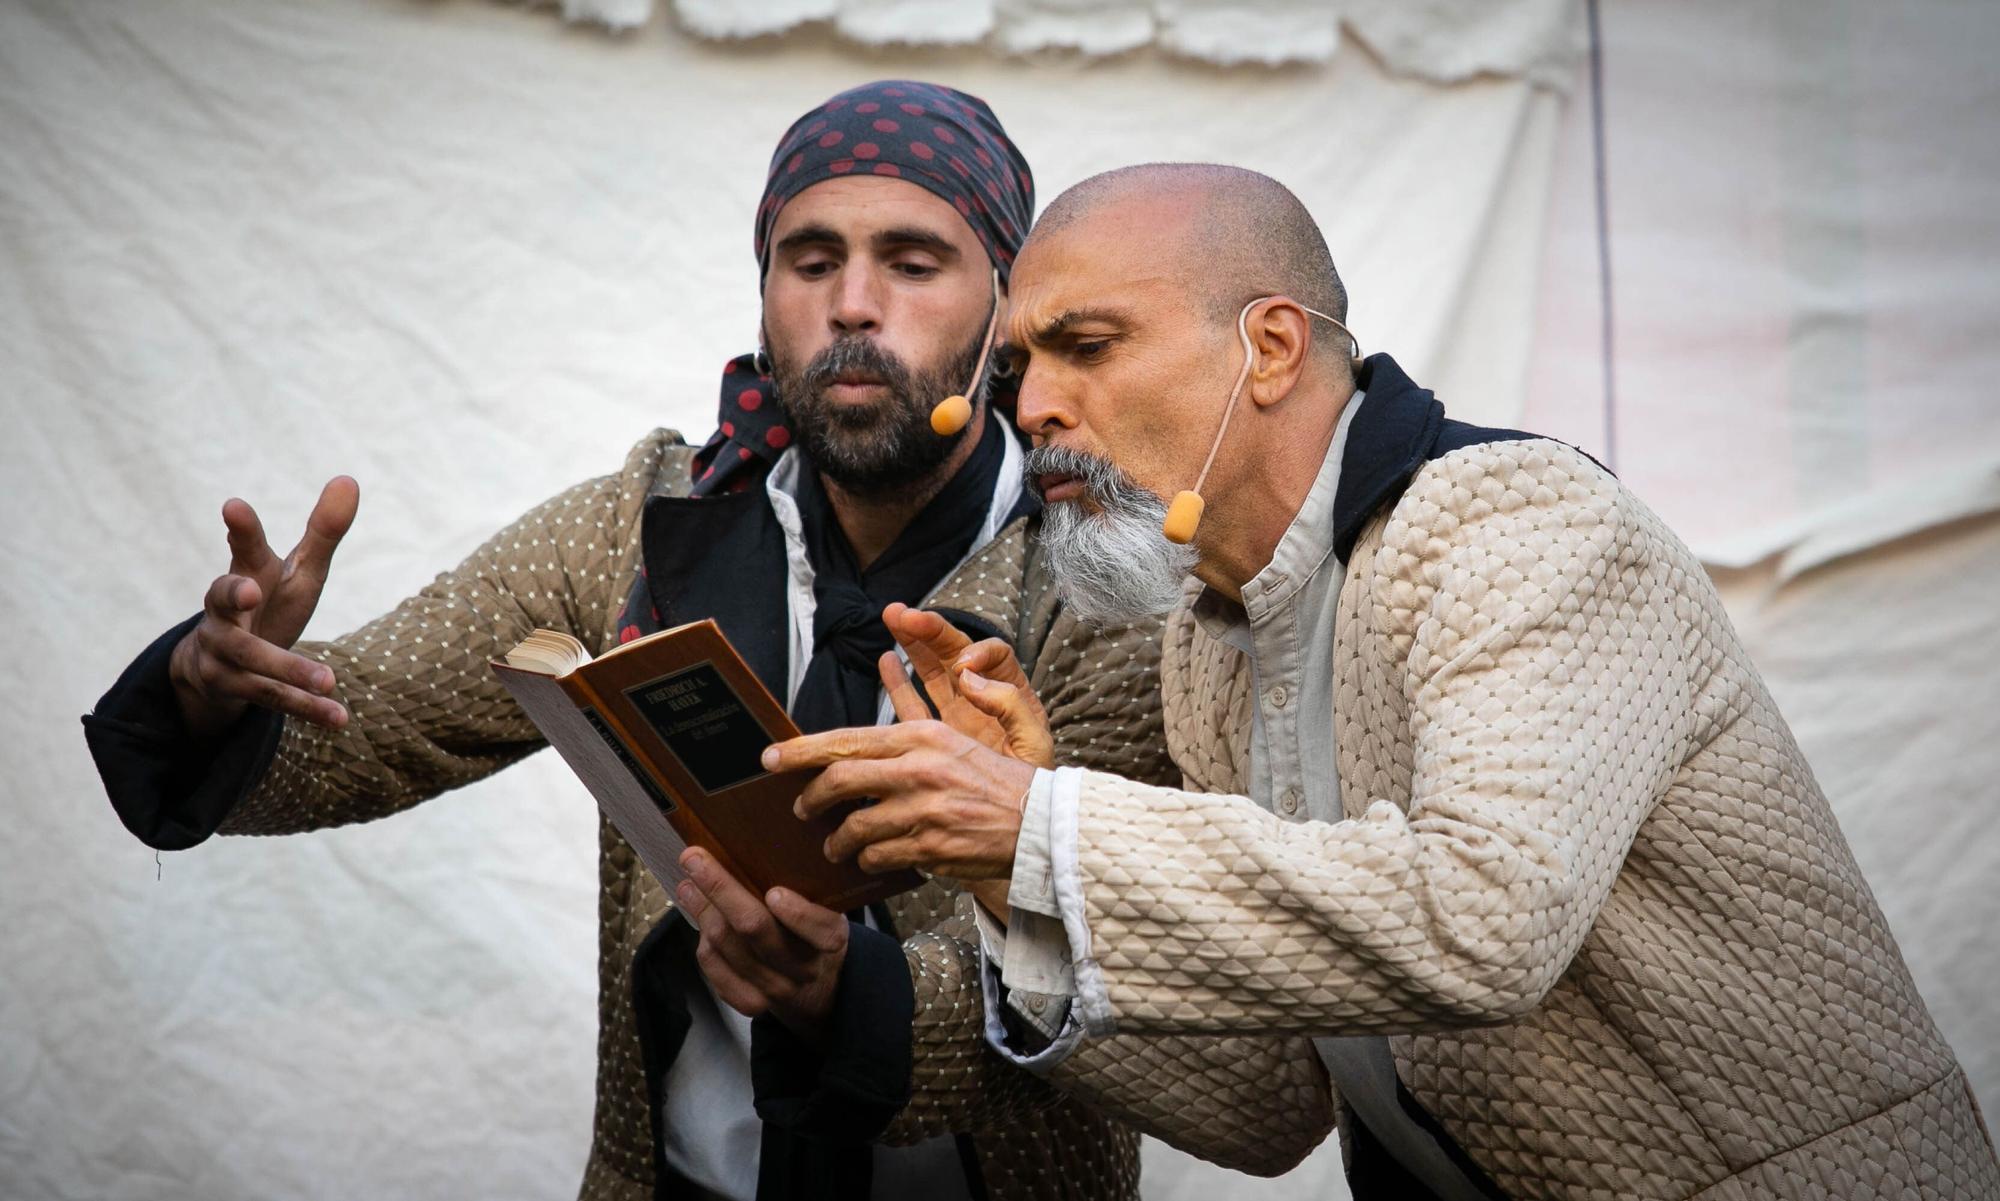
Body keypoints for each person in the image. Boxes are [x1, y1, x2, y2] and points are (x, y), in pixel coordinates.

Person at [80, 116, 1332, 1201]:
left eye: (913, 260)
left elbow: (1125, 969)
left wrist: (847, 994)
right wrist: (211, 686)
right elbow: (363, 726)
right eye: (810, 259)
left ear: (1005, 307)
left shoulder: (1104, 561)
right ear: (764, 293)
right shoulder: (647, 520)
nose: (853, 303)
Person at [768, 163, 2000, 1200]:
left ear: (1268, 347)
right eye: (1020, 367)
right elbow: (1265, 1107)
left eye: (1086, 346)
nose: (1032, 406)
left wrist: (1041, 826)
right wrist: (1007, 878)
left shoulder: (1515, 523)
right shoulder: (1208, 632)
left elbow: (1485, 916)